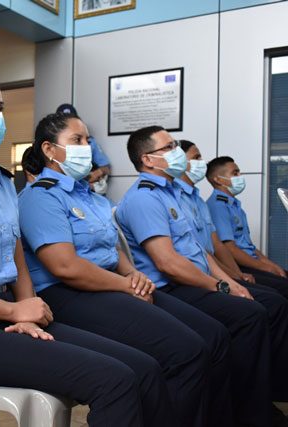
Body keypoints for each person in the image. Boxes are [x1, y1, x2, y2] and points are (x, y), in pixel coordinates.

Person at [0, 66, 173, 427]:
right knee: (115, 381)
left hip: (8, 315)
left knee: (144, 367)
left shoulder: (0, 180)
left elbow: (16, 258)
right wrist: (13, 312)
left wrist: (27, 308)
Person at [19, 112, 231, 427]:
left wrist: (132, 273)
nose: (86, 147)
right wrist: (127, 285)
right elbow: (66, 266)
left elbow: (110, 247)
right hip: (67, 294)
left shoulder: (90, 197)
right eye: (76, 140)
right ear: (49, 149)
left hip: (109, 285)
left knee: (211, 335)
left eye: (87, 140)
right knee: (184, 351)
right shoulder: (40, 196)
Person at [116, 125, 276, 427]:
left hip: (193, 280)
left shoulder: (173, 193)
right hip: (170, 287)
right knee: (247, 317)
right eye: (169, 147)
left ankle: (247, 409)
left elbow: (200, 252)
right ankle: (246, 415)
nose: (177, 151)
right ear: (148, 159)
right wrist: (220, 286)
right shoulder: (144, 198)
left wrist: (229, 283)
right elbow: (168, 263)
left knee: (254, 308)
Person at [176, 140, 288, 413]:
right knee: (265, 306)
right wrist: (232, 278)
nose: (201, 162)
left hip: (212, 272)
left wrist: (236, 276)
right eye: (195, 157)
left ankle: (269, 390)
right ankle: (257, 400)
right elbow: (186, 256)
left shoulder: (195, 199)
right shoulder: (179, 199)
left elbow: (213, 247)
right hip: (185, 280)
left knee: (273, 300)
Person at [206, 156, 288, 297]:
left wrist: (271, 265)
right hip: (239, 264)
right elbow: (230, 249)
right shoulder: (218, 206)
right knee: (282, 290)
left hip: (251, 260)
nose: (240, 176)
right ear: (218, 180)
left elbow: (249, 246)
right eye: (235, 173)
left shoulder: (234, 205)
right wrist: (265, 267)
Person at [56, 103, 110, 196]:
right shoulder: (51, 145)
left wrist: (95, 175)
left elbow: (105, 167)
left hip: (85, 191)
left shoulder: (90, 142)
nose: (85, 145)